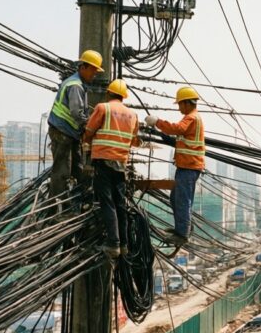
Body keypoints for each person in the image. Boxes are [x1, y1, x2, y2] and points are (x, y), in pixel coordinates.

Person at [82, 79, 140, 258]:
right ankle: (123, 244)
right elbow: (135, 140)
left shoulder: (103, 108)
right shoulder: (132, 115)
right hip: (121, 164)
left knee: (107, 203)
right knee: (119, 204)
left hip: (103, 161)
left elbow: (89, 131)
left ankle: (113, 244)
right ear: (123, 97)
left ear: (108, 93)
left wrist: (86, 142)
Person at [143, 86, 204, 246]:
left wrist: (158, 122)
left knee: (182, 200)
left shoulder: (191, 118)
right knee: (176, 198)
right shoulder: (192, 119)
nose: (179, 107)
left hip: (189, 167)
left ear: (186, 103)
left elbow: (177, 129)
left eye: (179, 104)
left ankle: (182, 234)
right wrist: (160, 132)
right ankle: (181, 229)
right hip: (186, 166)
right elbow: (178, 140)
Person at [47, 50, 102, 197]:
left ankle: (77, 199)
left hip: (68, 133)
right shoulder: (75, 86)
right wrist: (90, 128)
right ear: (83, 67)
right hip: (62, 132)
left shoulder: (79, 85)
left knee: (77, 168)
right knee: (62, 170)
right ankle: (57, 207)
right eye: (93, 70)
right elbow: (77, 113)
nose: (95, 74)